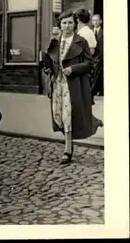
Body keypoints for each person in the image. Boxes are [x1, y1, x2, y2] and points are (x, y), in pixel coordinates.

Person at [43, 10, 101, 165]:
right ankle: (91, 123)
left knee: (67, 116)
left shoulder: (81, 41)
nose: (67, 26)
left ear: (75, 24)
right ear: (60, 25)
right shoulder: (55, 41)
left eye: (70, 22)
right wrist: (48, 69)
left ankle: (68, 150)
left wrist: (73, 69)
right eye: (64, 23)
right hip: (57, 84)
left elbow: (90, 64)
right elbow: (51, 62)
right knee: (58, 116)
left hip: (72, 85)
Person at [91, 14, 104, 97]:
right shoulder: (90, 32)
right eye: (93, 20)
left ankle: (94, 90)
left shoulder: (103, 32)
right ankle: (94, 90)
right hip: (92, 57)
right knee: (94, 73)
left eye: (97, 20)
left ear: (100, 21)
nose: (95, 22)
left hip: (101, 56)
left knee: (99, 73)